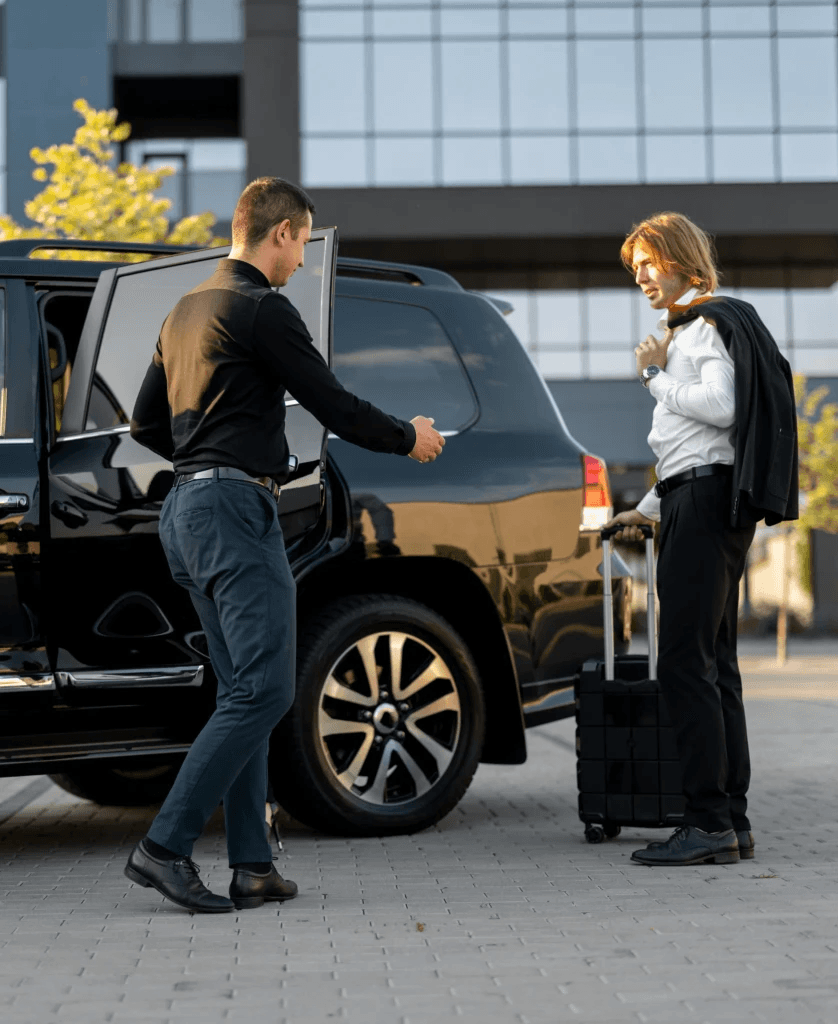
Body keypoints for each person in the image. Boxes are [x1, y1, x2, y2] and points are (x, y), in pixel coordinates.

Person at [125, 177, 445, 912]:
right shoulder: (263, 308)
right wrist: (409, 437)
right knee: (266, 690)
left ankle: (252, 866)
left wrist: (211, 435)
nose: (302, 259)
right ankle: (162, 849)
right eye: (302, 241)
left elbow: (148, 423)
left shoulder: (183, 311)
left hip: (186, 509)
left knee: (245, 693)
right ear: (281, 233)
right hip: (237, 510)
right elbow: (331, 401)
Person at [605, 212, 798, 867]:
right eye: (634, 270)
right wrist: (648, 507)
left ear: (683, 261)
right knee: (716, 666)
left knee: (686, 662)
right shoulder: (696, 327)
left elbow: (722, 408)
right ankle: (730, 824)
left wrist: (656, 376)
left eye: (648, 263)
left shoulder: (705, 325)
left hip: (707, 502)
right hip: (697, 496)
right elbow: (688, 447)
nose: (641, 278)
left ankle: (707, 821)